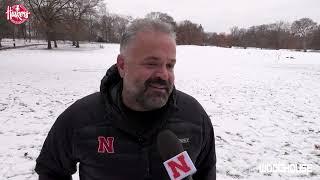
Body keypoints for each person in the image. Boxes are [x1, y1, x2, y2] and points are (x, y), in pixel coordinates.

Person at [35, 18, 216, 180]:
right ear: (122, 65)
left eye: (170, 65)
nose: (164, 74)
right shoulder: (80, 118)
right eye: (152, 63)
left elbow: (206, 172)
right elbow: (51, 170)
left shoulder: (194, 117)